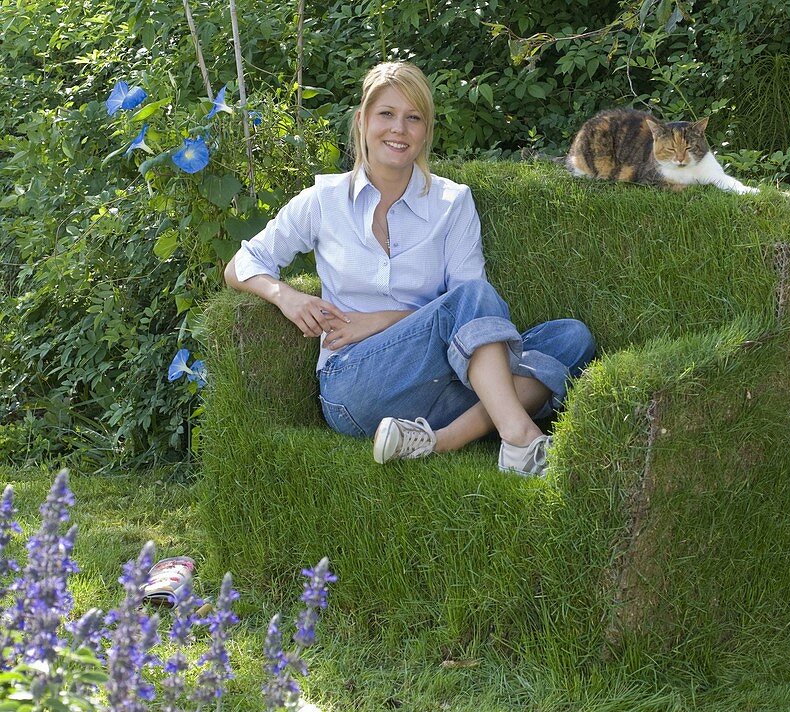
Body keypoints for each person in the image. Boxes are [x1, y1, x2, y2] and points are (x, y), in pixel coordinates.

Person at [224, 61, 595, 477]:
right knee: (475, 303)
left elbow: (471, 309)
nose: (399, 129)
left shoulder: (452, 203)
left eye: (413, 118)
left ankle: (435, 441)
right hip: (356, 385)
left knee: (570, 337)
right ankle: (521, 440)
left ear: (425, 131)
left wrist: (381, 320)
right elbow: (240, 264)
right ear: (363, 120)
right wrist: (285, 296)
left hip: (443, 382)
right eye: (386, 114)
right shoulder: (323, 200)